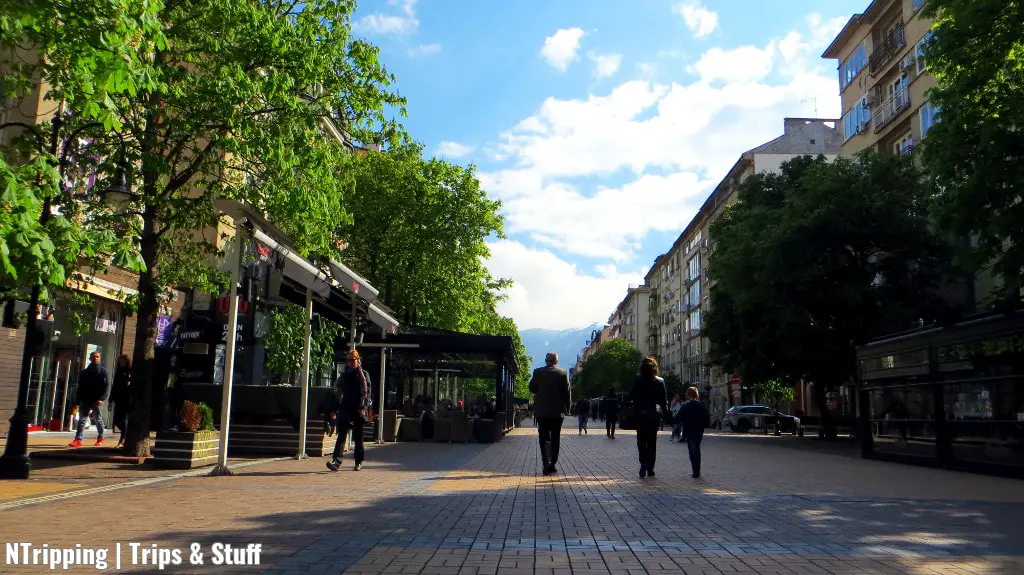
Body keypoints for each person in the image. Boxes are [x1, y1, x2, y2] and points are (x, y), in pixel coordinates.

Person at [326, 349, 372, 472]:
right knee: (342, 434)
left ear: (358, 360)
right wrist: (334, 408)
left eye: (352, 360)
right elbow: (337, 392)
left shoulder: (363, 374)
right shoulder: (344, 375)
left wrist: (364, 407)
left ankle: (358, 461)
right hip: (345, 406)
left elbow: (367, 394)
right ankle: (336, 461)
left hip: (358, 407)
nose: (350, 363)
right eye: (347, 360)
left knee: (358, 436)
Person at [529, 351, 570, 476]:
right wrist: (567, 408)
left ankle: (545, 461)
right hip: (557, 412)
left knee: (544, 437)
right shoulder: (563, 373)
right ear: (556, 361)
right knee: (555, 437)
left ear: (546, 360)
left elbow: (531, 388)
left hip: (542, 411)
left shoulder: (538, 372)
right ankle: (553, 463)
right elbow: (567, 394)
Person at [629, 356, 668, 478]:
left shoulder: (637, 380)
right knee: (652, 442)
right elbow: (663, 401)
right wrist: (667, 416)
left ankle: (643, 463)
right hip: (653, 416)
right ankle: (650, 468)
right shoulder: (660, 381)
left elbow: (631, 396)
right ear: (655, 368)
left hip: (640, 415)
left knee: (641, 440)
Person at [68, 351, 111, 448]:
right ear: (90, 358)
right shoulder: (85, 372)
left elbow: (107, 386)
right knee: (82, 419)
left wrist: (102, 398)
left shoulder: (103, 372)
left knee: (98, 419)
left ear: (99, 358)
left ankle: (100, 437)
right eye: (94, 357)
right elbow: (81, 387)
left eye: (97, 357)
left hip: (96, 399)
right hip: (85, 399)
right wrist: (77, 401)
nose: (96, 358)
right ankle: (78, 439)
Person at [678, 387, 711, 478]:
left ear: (688, 395)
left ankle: (695, 471)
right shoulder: (701, 406)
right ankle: (697, 470)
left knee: (692, 449)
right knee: (697, 448)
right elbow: (707, 420)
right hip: (699, 430)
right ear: (697, 395)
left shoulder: (685, 406)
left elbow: (680, 418)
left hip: (689, 430)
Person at [110, 355, 132, 448]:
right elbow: (115, 385)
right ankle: (125, 433)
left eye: (123, 360)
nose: (121, 362)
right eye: (120, 361)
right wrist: (111, 399)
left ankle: (123, 438)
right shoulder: (119, 371)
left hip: (126, 399)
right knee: (117, 420)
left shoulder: (130, 371)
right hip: (118, 399)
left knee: (124, 419)